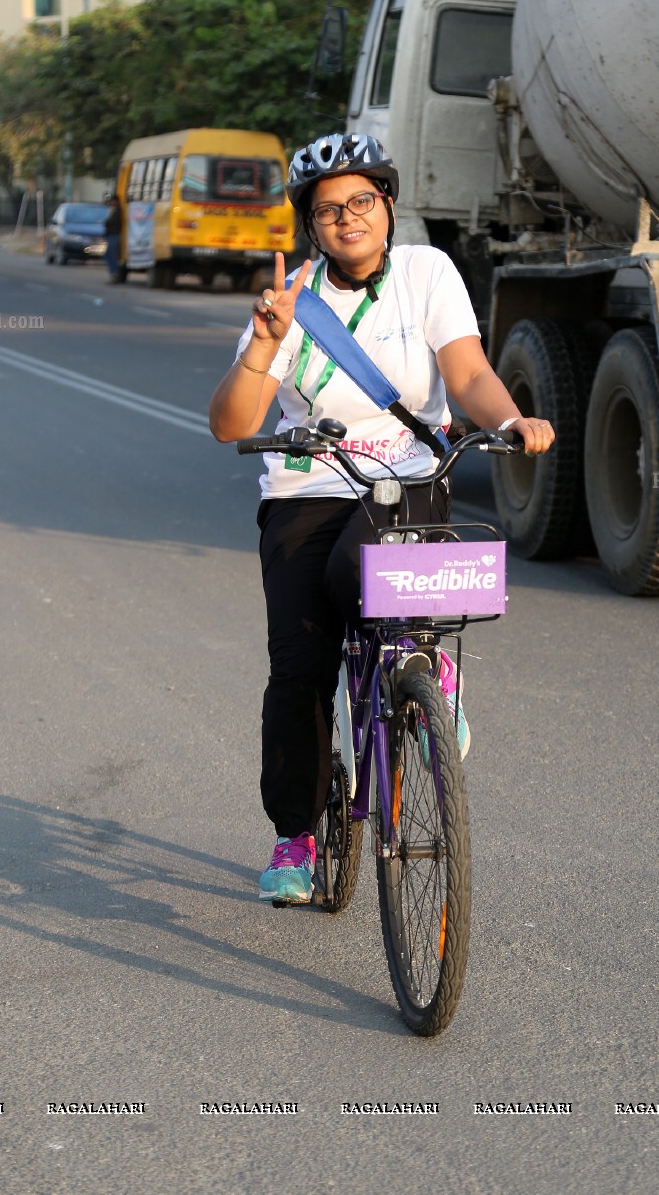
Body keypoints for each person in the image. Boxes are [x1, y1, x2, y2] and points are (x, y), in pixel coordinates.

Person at [208, 133, 555, 904]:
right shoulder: (292, 302)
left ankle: (429, 672)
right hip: (307, 494)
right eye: (328, 209)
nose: (347, 218)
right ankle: (294, 835)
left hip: (408, 482)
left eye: (361, 200)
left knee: (362, 572)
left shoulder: (427, 271)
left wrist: (511, 420)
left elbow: (467, 372)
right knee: (298, 672)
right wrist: (266, 344)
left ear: (388, 204)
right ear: (310, 225)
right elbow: (230, 424)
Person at [103, 193, 122, 282]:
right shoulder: (112, 210)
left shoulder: (117, 211)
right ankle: (113, 273)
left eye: (112, 201)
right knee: (108, 255)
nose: (111, 202)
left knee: (112, 255)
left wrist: (106, 222)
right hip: (110, 235)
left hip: (114, 235)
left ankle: (115, 273)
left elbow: (111, 222)